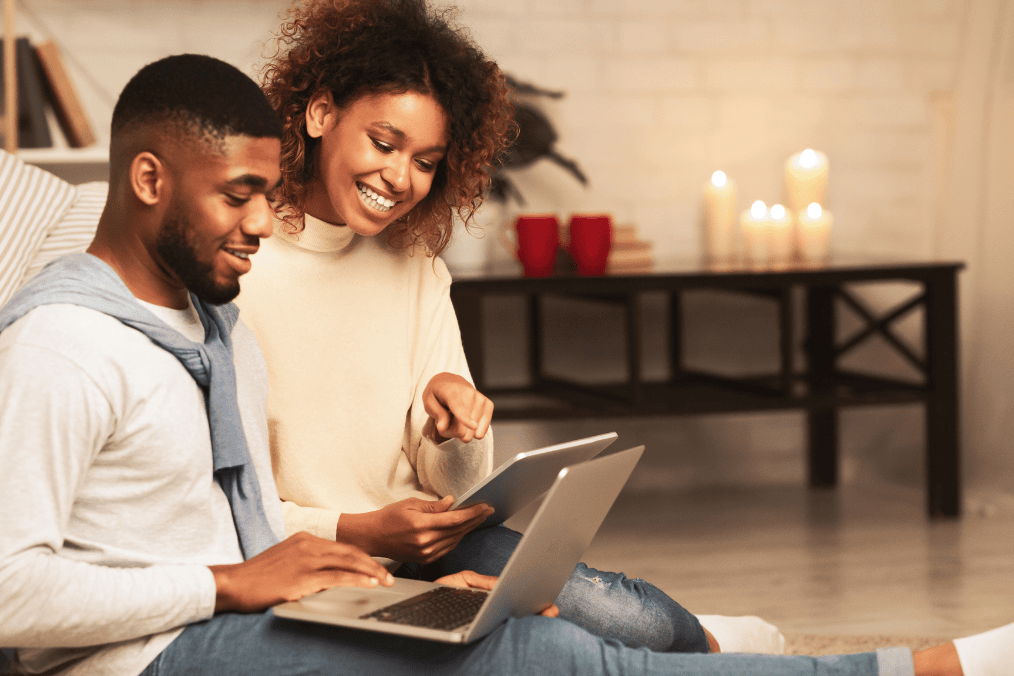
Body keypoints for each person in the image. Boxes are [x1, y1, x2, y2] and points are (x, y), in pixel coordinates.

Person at [1, 49, 999, 676]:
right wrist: (243, 580)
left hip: (252, 595)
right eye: (239, 197)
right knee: (545, 653)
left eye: (268, 198)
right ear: (147, 180)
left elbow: (246, 522)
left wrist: (372, 587)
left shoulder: (214, 332)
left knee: (557, 624)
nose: (262, 222)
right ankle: (932, 667)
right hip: (148, 652)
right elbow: (13, 597)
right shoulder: (65, 348)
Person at [236, 0, 715, 653]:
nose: (400, 178)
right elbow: (236, 507)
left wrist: (454, 426)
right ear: (320, 114)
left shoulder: (414, 266)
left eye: (426, 161)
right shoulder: (237, 265)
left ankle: (727, 651)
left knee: (645, 625)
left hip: (426, 545)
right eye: (383, 143)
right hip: (311, 556)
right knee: (535, 646)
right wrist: (366, 530)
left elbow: (454, 489)